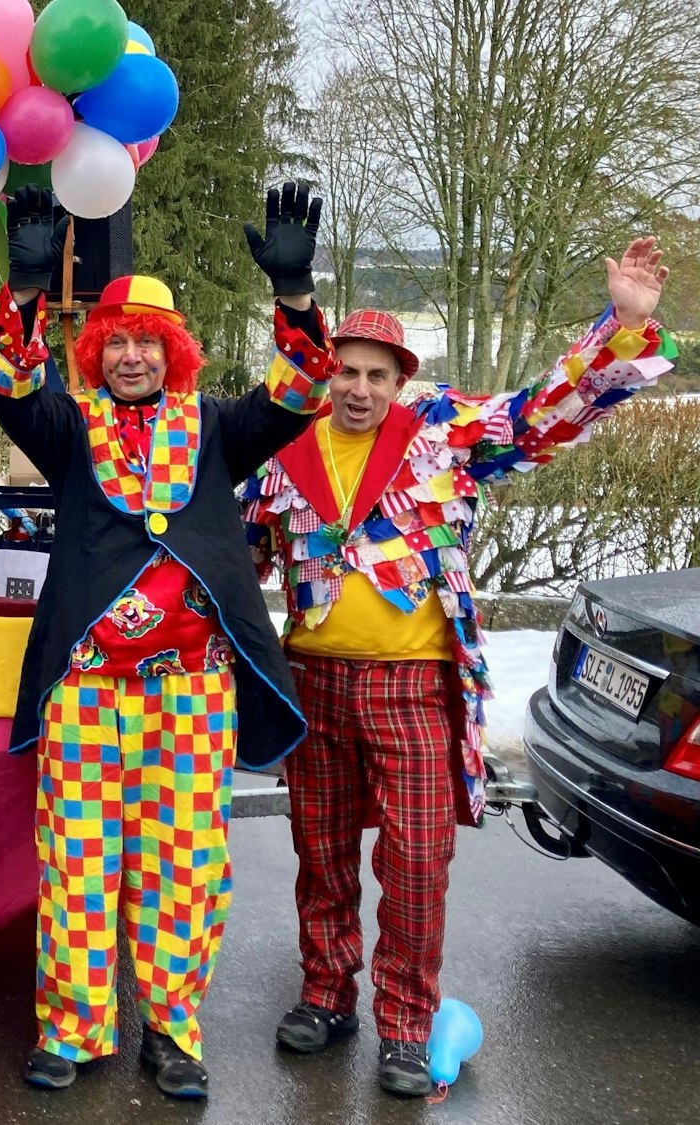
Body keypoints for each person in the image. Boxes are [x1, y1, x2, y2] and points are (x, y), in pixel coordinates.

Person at [242, 238, 675, 1097]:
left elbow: (545, 414)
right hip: (314, 683)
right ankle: (327, 992)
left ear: (400, 381)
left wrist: (623, 323)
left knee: (415, 858)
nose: (358, 389)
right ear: (324, 376)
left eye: (375, 374)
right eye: (345, 373)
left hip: (413, 686)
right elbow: (234, 557)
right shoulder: (280, 455)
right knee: (320, 851)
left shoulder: (442, 437)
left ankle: (406, 1020)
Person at [0, 182, 338, 1099]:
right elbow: (14, 386)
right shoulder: (71, 427)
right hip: (90, 687)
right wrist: (26, 283)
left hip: (191, 688)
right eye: (117, 343)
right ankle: (73, 1026)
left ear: (172, 352)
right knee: (79, 861)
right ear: (97, 351)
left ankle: (174, 1033)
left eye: (148, 342)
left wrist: (295, 295)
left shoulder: (218, 428)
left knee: (184, 864)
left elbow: (300, 392)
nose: (133, 355)